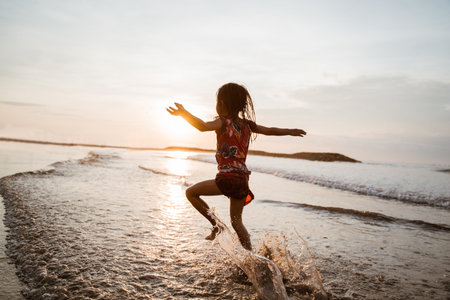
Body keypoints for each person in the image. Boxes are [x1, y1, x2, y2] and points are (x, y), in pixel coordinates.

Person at [167, 82, 306, 251]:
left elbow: (202, 126)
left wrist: (184, 114)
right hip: (242, 179)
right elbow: (269, 130)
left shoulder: (223, 122)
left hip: (227, 178)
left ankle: (216, 225)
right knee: (237, 222)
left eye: (218, 102)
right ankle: (251, 255)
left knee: (191, 193)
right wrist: (290, 131)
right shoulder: (248, 125)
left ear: (223, 104)